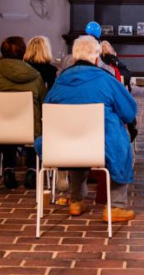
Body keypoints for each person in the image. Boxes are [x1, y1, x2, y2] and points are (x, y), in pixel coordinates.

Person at [37, 36, 138, 222]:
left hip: (64, 145)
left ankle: (76, 201)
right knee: (121, 146)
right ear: (97, 58)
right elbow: (129, 111)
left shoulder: (60, 81)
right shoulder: (106, 80)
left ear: (74, 58)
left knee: (76, 137)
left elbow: (47, 108)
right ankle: (116, 207)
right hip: (101, 146)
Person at [0, 36, 45, 190]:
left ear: (2, 53)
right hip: (30, 131)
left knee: (5, 122)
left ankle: (8, 170)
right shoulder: (35, 76)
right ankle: (32, 171)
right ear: (23, 53)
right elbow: (43, 103)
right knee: (34, 123)